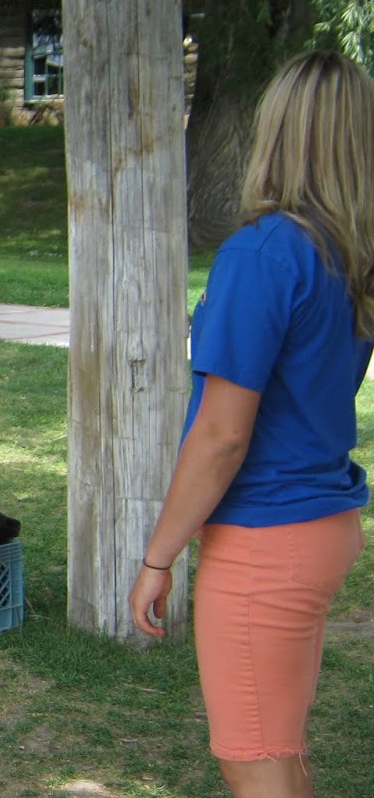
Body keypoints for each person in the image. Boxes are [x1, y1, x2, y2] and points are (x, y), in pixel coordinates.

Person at [128, 49, 372, 798]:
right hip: (319, 524)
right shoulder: (346, 254)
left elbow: (223, 436)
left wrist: (159, 557)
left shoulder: (266, 253)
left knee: (257, 757)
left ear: (277, 133)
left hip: (267, 539)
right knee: (280, 751)